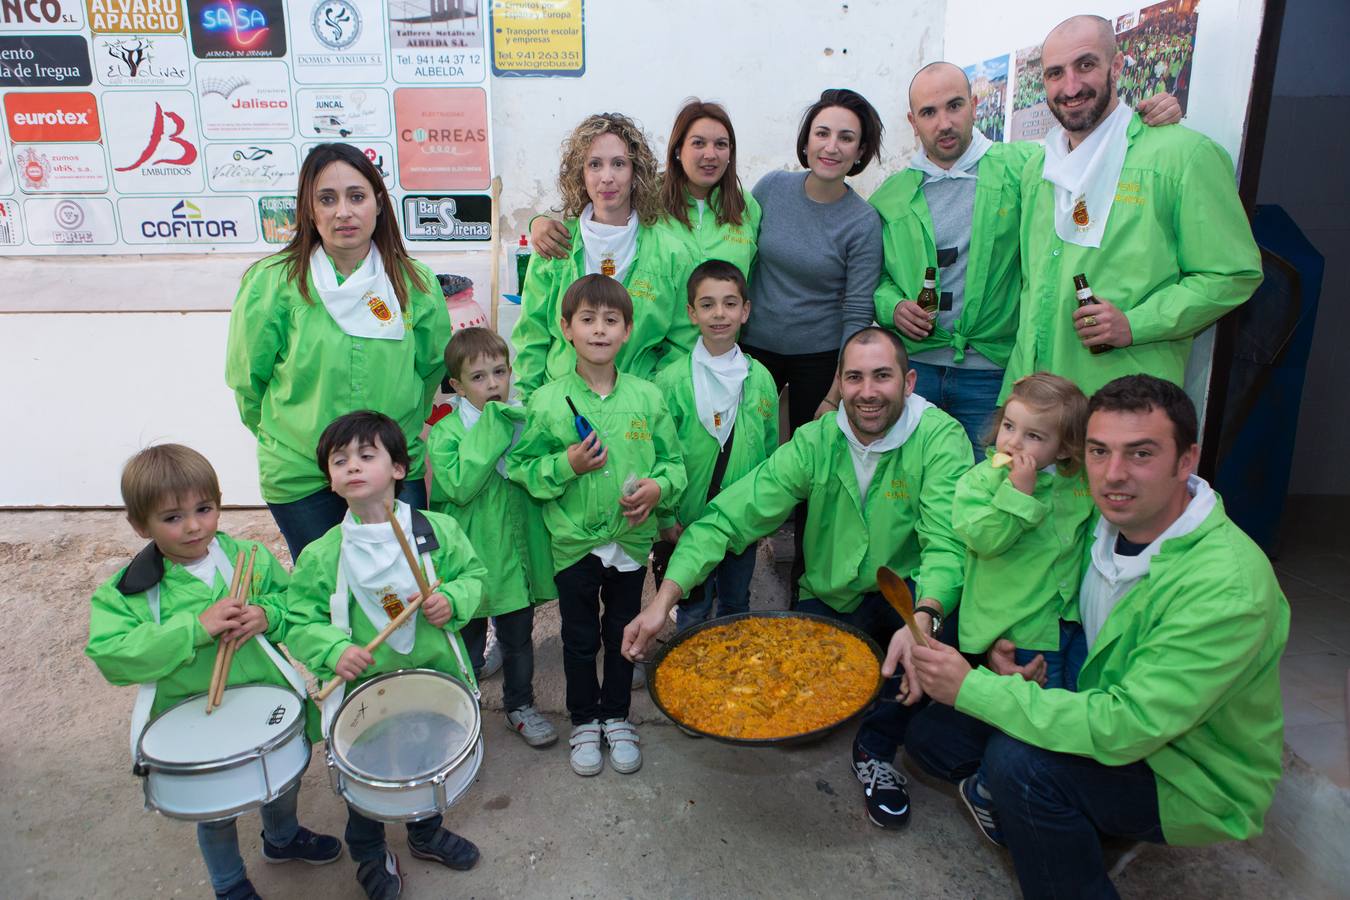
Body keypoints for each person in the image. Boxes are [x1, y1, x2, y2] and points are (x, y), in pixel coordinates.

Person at [901, 374, 1289, 898]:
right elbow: (1027, 578)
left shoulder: (1227, 587)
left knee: (1020, 769)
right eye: (1100, 451)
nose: (1114, 474)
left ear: (1186, 460)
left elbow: (1128, 724)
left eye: (1141, 453)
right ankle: (1082, 819)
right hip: (1095, 702)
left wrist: (974, 688)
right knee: (931, 739)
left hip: (1181, 770)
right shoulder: (1099, 522)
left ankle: (1069, 831)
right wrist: (1003, 644)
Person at [624, 327, 969, 829]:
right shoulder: (815, 441)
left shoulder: (941, 439)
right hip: (829, 593)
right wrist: (663, 601)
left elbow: (946, 545)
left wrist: (923, 619)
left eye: (882, 376)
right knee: (800, 711)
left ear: (909, 381)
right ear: (839, 384)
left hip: (906, 594)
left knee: (927, 654)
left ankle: (875, 750)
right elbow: (728, 517)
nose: (867, 392)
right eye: (854, 377)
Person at [872, 62, 1182, 456]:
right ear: (913, 122)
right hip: (916, 369)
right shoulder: (890, 195)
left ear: (974, 104)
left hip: (992, 373)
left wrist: (1144, 119)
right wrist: (892, 306)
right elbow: (876, 276)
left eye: (954, 106)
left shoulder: (1026, 168)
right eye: (929, 113)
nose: (944, 123)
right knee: (911, 478)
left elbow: (1092, 151)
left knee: (989, 484)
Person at [85, 444, 341, 900]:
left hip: (266, 700)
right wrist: (194, 629)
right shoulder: (131, 590)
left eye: (204, 509)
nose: (193, 526)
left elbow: (297, 606)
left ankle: (281, 840)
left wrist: (268, 614)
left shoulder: (249, 557)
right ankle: (229, 884)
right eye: (172, 517)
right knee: (216, 810)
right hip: (195, 716)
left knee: (281, 779)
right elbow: (113, 655)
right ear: (139, 524)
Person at [1003, 14, 1262, 397]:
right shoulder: (1036, 168)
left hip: (1124, 406)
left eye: (1086, 65)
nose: (1070, 86)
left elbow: (1232, 274)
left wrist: (1136, 323)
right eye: (1055, 73)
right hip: (1037, 404)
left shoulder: (1183, 157)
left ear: (1118, 66)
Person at [284, 411, 485, 900]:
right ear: (330, 481)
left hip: (431, 676)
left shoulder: (437, 532)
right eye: (340, 460)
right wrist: (334, 649)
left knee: (425, 757)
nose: (353, 466)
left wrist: (453, 600)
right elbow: (299, 619)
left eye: (367, 455)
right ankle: (370, 855)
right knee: (366, 777)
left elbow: (474, 576)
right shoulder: (323, 554)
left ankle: (425, 832)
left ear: (399, 468)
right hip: (364, 693)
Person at [225, 143, 449, 560]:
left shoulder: (415, 283)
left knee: (405, 588)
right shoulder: (272, 283)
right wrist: (297, 438)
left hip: (393, 470)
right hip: (302, 474)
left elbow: (429, 369)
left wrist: (387, 443)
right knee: (326, 594)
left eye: (357, 196)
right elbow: (247, 382)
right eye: (327, 199)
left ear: (379, 204)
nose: (343, 211)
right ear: (309, 210)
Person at [508, 274, 686, 777]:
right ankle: (585, 718)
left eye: (611, 320)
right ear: (566, 328)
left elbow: (674, 465)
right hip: (573, 547)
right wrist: (566, 465)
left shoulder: (648, 398)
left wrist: (658, 489)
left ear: (628, 330)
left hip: (630, 544)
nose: (599, 330)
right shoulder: (546, 401)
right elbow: (523, 468)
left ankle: (617, 716)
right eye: (587, 319)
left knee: (625, 634)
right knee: (580, 637)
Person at [531, 99, 762, 355]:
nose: (710, 154)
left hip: (713, 354)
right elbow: (601, 207)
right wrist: (538, 223)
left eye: (721, 144)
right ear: (677, 149)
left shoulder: (746, 207)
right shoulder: (653, 198)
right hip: (655, 363)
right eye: (698, 143)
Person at [426, 327, 559, 748]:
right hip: (468, 561)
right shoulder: (447, 434)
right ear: (457, 387)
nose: (493, 385)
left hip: (514, 558)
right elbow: (461, 483)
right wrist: (496, 426)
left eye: (500, 372)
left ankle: (520, 705)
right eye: (479, 378)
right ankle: (463, 703)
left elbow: (541, 472)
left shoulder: (523, 419)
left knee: (520, 638)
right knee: (465, 637)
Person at [739, 88, 884, 431]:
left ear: (860, 151)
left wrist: (837, 392)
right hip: (752, 347)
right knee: (740, 447)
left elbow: (858, 313)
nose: (831, 147)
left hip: (819, 358)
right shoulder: (772, 187)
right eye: (822, 133)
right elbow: (742, 255)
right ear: (806, 141)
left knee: (811, 456)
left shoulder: (863, 222)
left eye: (846, 138)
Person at [511, 113, 681, 400]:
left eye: (619, 164)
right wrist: (533, 406)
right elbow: (533, 336)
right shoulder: (555, 245)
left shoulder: (671, 252)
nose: (607, 177)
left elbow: (681, 344)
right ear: (580, 174)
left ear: (636, 172)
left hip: (638, 414)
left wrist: (651, 400)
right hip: (563, 410)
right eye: (594, 165)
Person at [652, 260, 779, 631]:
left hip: (742, 521)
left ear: (746, 311)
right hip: (688, 522)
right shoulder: (672, 381)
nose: (719, 314)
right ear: (691, 313)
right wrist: (665, 518)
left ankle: (732, 679)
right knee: (692, 608)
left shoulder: (761, 380)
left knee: (736, 603)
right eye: (707, 305)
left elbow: (770, 455)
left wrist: (765, 511)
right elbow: (660, 454)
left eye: (729, 303)